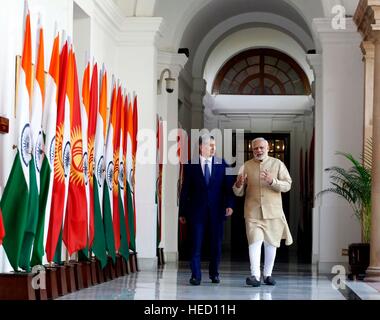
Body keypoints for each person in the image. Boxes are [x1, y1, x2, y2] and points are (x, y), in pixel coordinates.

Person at [233, 137, 293, 287]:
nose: (258, 150)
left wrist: (273, 181)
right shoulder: (246, 166)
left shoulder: (277, 164)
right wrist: (238, 185)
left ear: (267, 148)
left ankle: (267, 275)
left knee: (271, 244)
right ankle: (255, 275)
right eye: (255, 148)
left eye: (261, 148)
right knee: (254, 242)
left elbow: (288, 185)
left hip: (273, 212)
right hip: (252, 212)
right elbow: (237, 192)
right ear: (252, 149)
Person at [179, 134, 234, 285]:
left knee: (216, 245)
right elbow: (185, 190)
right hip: (197, 212)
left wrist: (229, 205)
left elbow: (227, 188)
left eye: (214, 145)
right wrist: (182, 212)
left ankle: (214, 273)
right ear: (201, 147)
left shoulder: (222, 164)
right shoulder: (190, 164)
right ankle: (195, 275)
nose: (213, 148)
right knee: (196, 244)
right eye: (210, 145)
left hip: (217, 212)